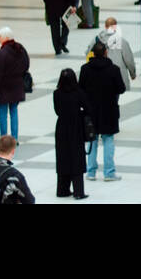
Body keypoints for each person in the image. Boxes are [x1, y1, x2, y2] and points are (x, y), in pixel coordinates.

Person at [80, 41, 126, 182]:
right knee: (108, 140)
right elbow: (121, 88)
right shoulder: (113, 69)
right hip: (109, 110)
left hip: (91, 111)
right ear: (106, 52)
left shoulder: (85, 69)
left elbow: (80, 88)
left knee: (92, 140)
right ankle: (109, 172)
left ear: (93, 53)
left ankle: (91, 172)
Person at [50, 68, 91, 200]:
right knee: (76, 157)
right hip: (76, 128)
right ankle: (78, 191)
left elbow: (57, 111)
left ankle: (62, 189)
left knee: (63, 157)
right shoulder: (78, 93)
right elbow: (88, 109)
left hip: (61, 127)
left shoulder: (56, 93)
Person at [0, 27, 30, 140]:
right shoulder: (20, 49)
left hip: (4, 88)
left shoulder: (2, 53)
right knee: (14, 112)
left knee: (2, 113)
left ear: (6, 38)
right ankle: (14, 138)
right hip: (17, 86)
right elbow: (26, 64)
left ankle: (4, 138)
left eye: (0, 37)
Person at [92, 16, 137, 93]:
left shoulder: (97, 40)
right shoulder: (122, 41)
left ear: (105, 26)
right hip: (118, 75)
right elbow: (129, 60)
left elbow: (89, 54)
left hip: (100, 75)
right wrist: (132, 74)